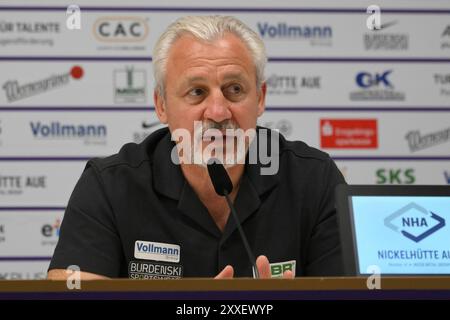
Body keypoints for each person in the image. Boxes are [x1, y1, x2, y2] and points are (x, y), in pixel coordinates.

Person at [47, 15, 345, 280]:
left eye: (235, 90)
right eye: (197, 92)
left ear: (261, 98)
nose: (218, 112)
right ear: (161, 105)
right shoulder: (109, 186)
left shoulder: (314, 180)